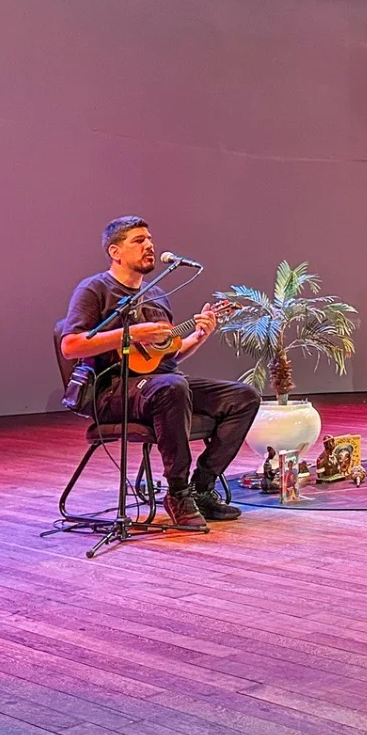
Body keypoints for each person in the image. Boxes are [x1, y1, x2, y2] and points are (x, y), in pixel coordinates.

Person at [61, 216, 261, 532]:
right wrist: (131, 334)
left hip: (160, 385)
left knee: (243, 396)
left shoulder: (156, 295)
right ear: (115, 252)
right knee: (172, 386)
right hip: (112, 388)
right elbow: (70, 346)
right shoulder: (95, 289)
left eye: (150, 239)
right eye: (138, 240)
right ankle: (178, 493)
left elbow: (167, 358)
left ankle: (202, 487)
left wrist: (198, 335)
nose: (149, 245)